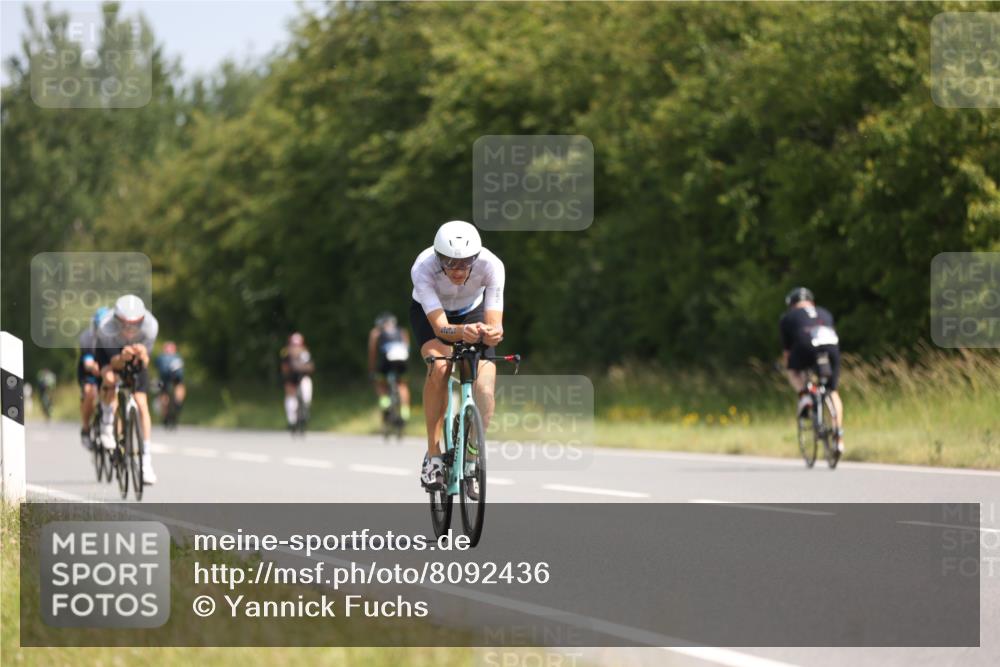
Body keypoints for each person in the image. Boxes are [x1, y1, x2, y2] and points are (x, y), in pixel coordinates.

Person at [410, 220, 504, 490]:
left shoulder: (492, 265)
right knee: (438, 368)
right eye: (450, 262)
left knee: (484, 388)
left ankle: (473, 453)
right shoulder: (423, 267)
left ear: (476, 257)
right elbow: (441, 328)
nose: (459, 270)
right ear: (438, 257)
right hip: (431, 314)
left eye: (465, 262)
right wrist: (464, 332)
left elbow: (495, 321)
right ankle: (433, 454)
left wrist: (493, 332)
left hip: (471, 312)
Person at [94, 294, 159, 484]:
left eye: (135, 325)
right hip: (109, 354)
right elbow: (113, 362)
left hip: (134, 357)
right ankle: (107, 418)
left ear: (142, 321)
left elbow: (145, 361)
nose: (130, 330)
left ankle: (146, 461)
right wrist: (122, 357)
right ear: (117, 321)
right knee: (110, 380)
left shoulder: (151, 326)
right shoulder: (106, 328)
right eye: (125, 325)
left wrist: (141, 354)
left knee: (141, 403)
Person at [780, 287, 845, 457]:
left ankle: (805, 396)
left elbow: (787, 352)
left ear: (792, 305)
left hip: (806, 345)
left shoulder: (788, 318)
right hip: (831, 347)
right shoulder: (825, 312)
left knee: (793, 372)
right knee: (832, 392)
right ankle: (838, 436)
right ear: (811, 302)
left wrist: (789, 366)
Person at [368, 312, 412, 423]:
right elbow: (407, 347)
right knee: (402, 384)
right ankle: (405, 412)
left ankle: (385, 403)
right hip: (402, 358)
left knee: (380, 382)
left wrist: (372, 369)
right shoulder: (402, 331)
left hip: (386, 359)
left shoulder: (376, 333)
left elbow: (372, 352)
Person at [78, 306, 110, 448]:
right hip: (90, 371)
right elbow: (88, 363)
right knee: (90, 393)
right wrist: (94, 368)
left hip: (107, 368)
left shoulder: (115, 335)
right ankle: (86, 428)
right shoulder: (88, 337)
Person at [280, 332, 315, 431]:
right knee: (290, 399)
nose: (295, 348)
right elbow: (284, 368)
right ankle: (292, 421)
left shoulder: (305, 354)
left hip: (302, 377)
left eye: (297, 345)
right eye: (293, 345)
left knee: (306, 394)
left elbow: (311, 366)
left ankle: (304, 414)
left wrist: (300, 368)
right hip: (291, 379)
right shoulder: (286, 353)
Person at [155, 341, 186, 425]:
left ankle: (165, 416)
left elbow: (157, 368)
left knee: (163, 393)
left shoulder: (160, 357)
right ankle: (178, 402)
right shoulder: (178, 357)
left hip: (163, 378)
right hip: (177, 377)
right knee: (179, 385)